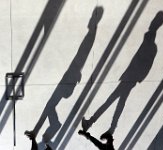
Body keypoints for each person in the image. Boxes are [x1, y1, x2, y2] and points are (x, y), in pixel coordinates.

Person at [24, 6, 104, 143]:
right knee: (50, 105)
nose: (89, 20)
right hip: (70, 77)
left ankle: (47, 127)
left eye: (92, 17)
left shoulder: (90, 36)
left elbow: (82, 56)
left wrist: (75, 73)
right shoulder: (90, 35)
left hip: (69, 79)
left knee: (49, 104)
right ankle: (45, 128)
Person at [82, 11, 163, 137]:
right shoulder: (149, 39)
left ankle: (95, 123)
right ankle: (107, 127)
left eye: (154, 20)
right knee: (118, 102)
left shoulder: (150, 43)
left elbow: (145, 64)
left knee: (112, 100)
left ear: (156, 23)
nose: (151, 22)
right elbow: (143, 62)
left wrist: (136, 78)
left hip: (130, 77)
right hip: (130, 77)